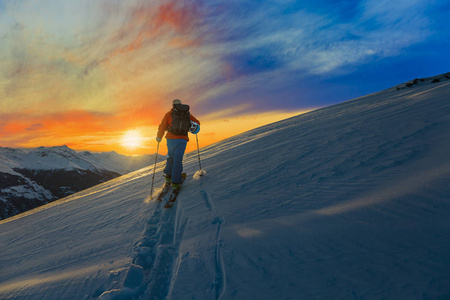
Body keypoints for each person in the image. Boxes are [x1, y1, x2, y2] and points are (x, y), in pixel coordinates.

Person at [156, 99, 200, 192]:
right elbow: (197, 123)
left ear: (173, 105)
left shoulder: (169, 114)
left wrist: (159, 137)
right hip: (182, 140)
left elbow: (162, 126)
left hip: (171, 140)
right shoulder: (187, 114)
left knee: (171, 157)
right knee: (178, 159)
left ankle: (168, 178)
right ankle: (176, 183)